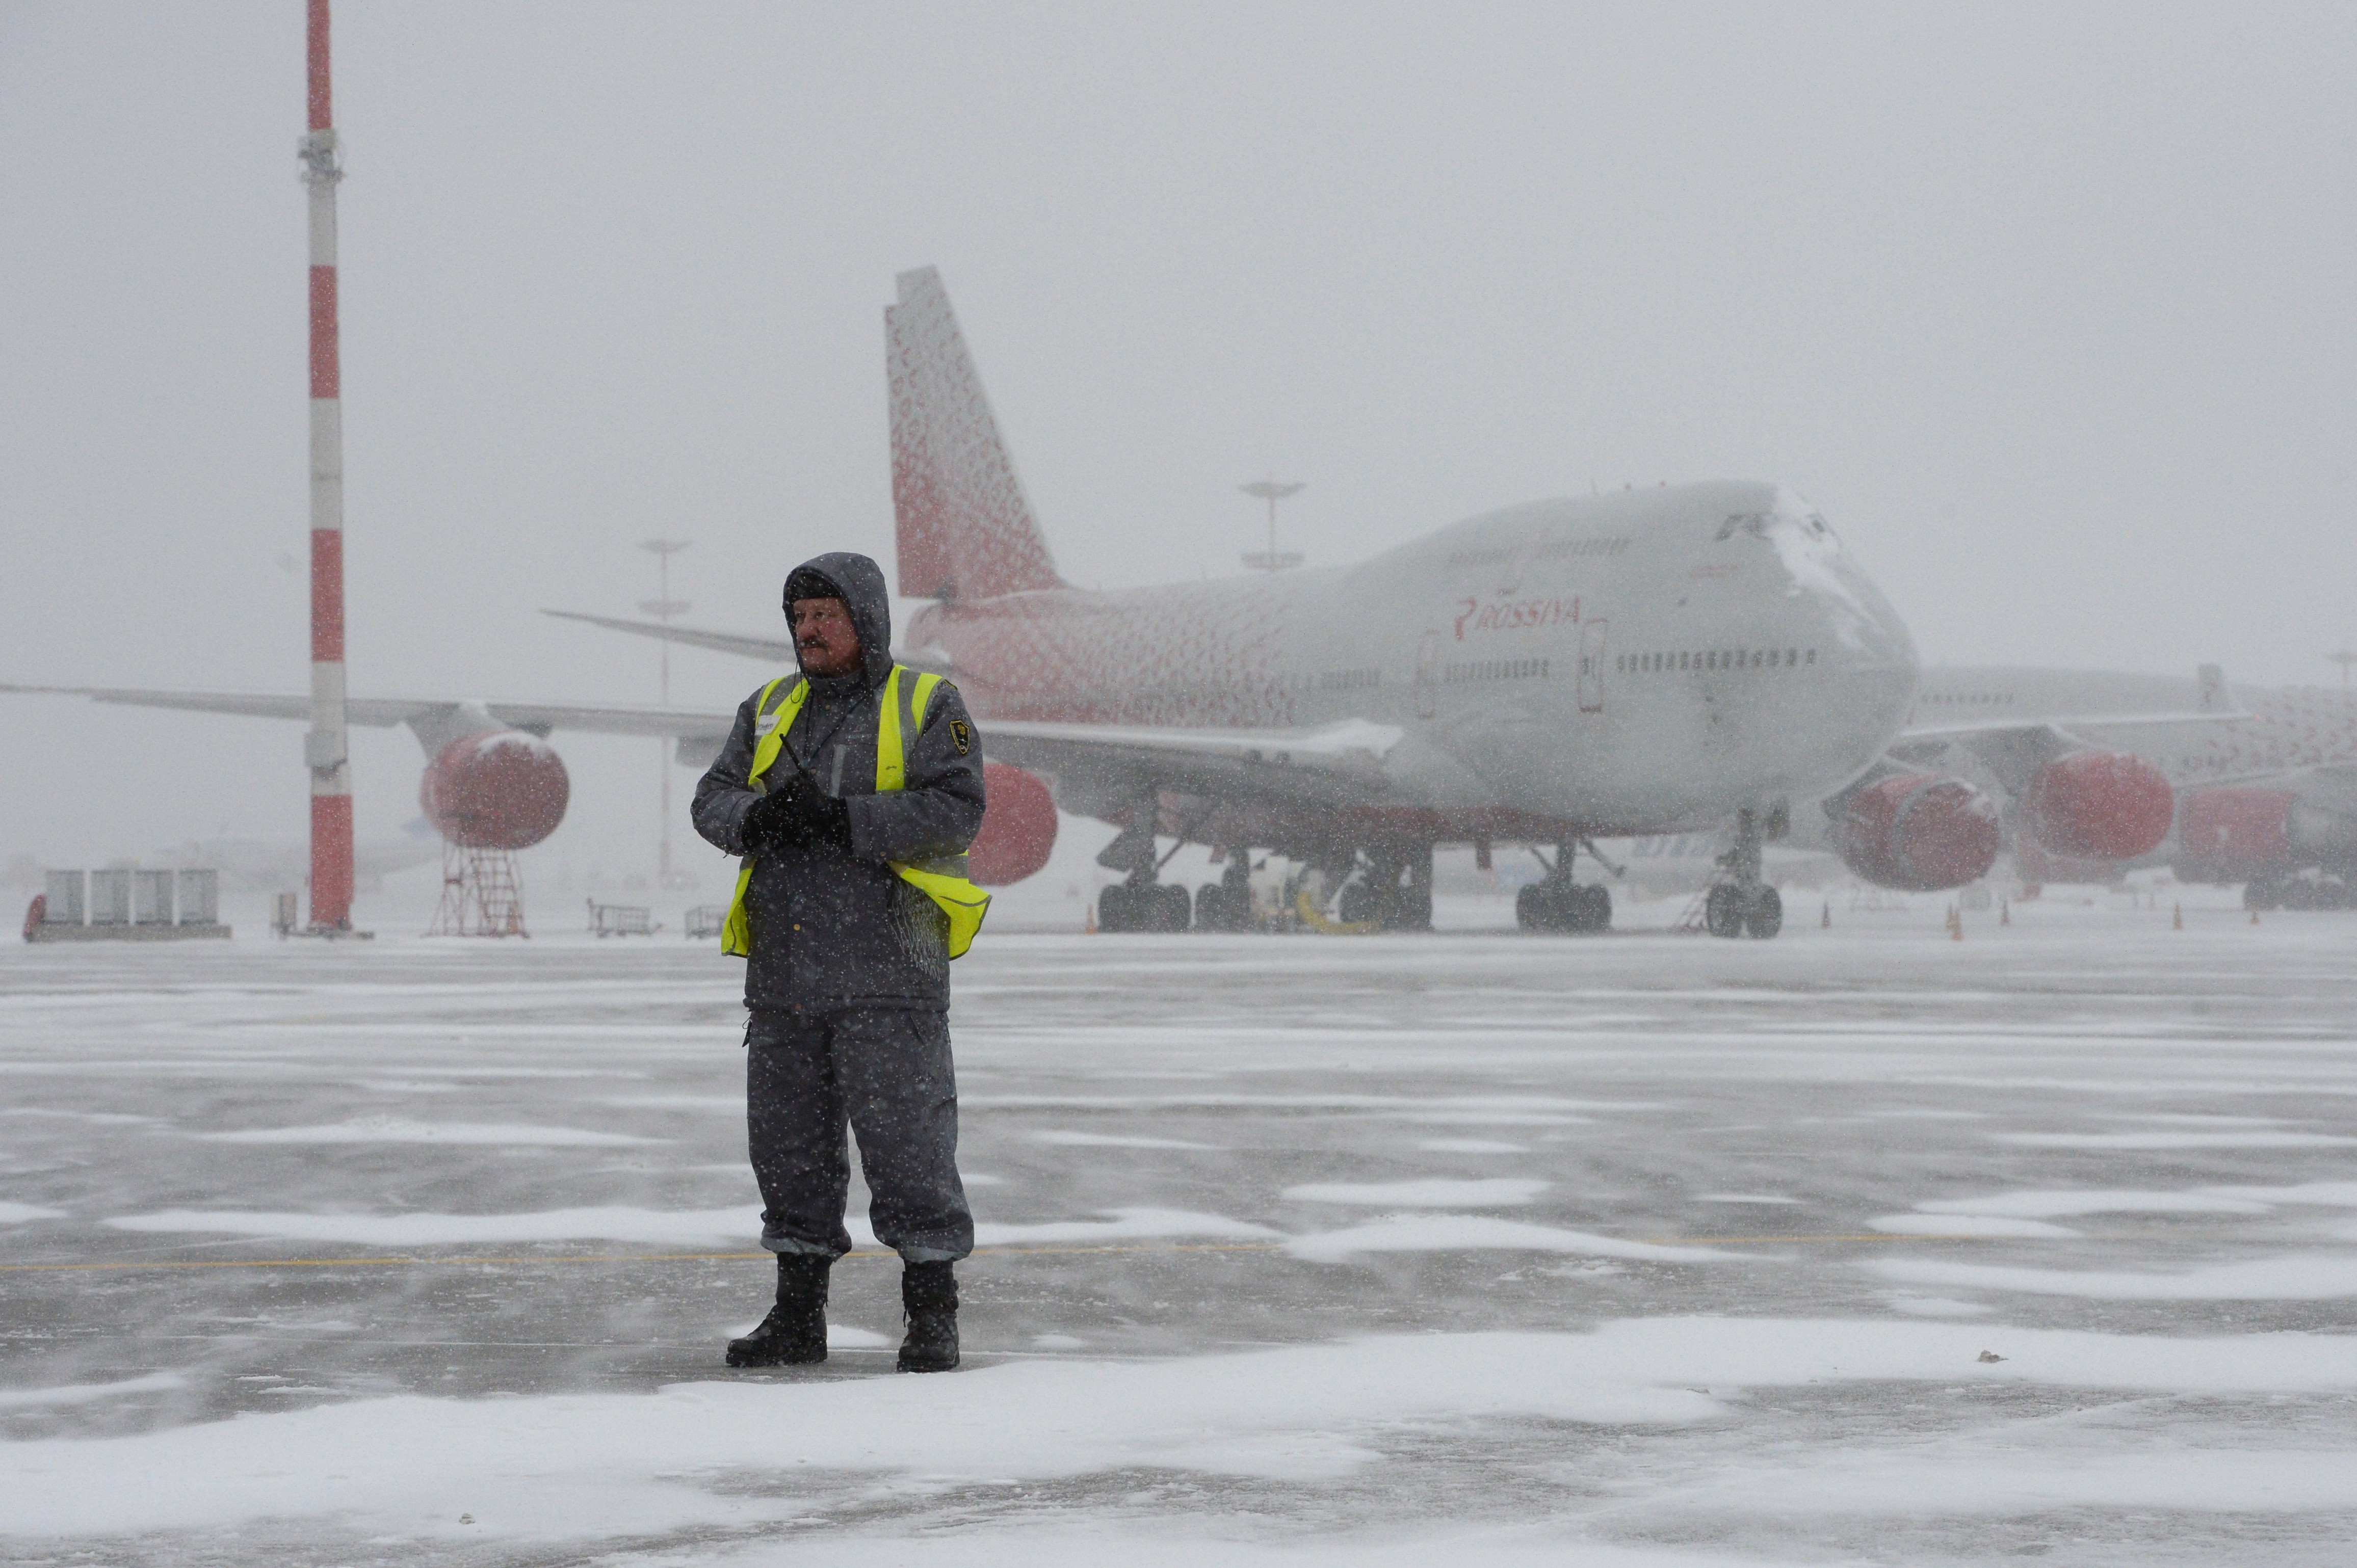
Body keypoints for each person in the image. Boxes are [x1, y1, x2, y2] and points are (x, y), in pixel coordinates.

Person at [692, 551, 989, 1372]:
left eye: (826, 614)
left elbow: (959, 807)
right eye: (800, 617)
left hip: (890, 968)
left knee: (910, 1149)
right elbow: (711, 797)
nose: (809, 630)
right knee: (787, 1149)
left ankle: (932, 1315)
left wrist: (845, 821)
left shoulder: (927, 702)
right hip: (786, 977)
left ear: (867, 619)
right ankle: (797, 1315)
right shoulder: (767, 707)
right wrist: (758, 820)